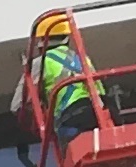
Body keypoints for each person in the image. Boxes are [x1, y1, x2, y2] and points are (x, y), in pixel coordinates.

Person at [21, 9, 102, 146]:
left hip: (72, 118)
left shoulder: (40, 62)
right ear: (67, 37)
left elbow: (18, 105)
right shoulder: (83, 59)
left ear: (42, 40)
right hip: (99, 113)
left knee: (71, 149)